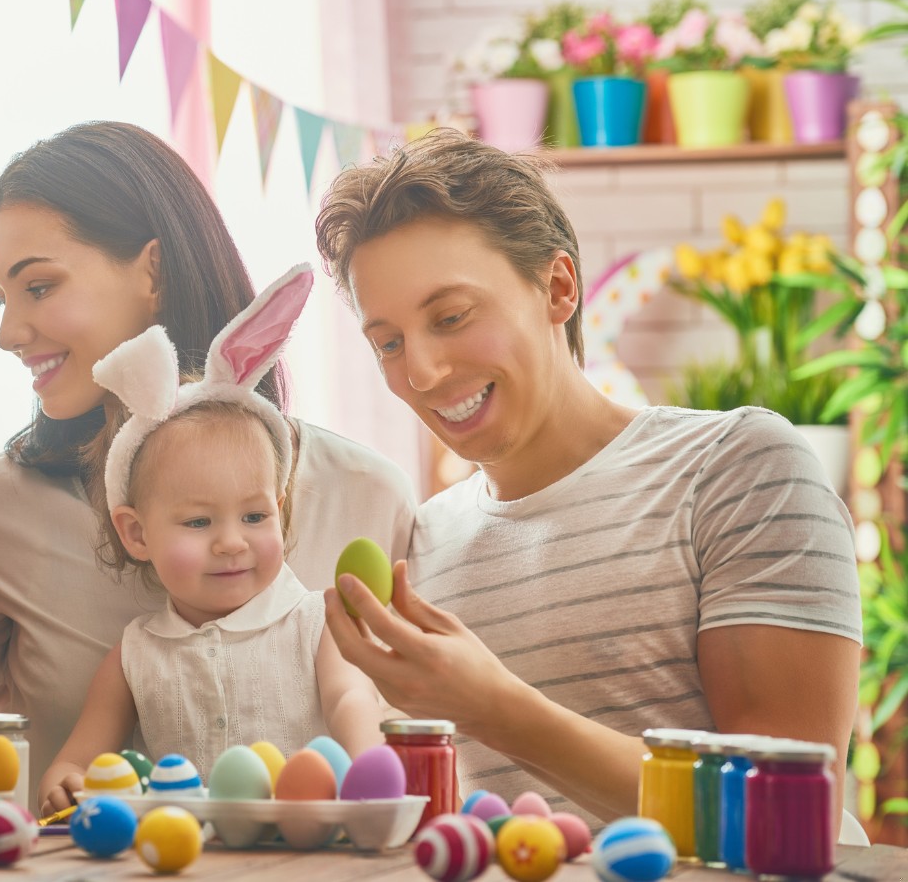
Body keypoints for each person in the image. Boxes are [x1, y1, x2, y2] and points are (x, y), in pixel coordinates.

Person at [313, 129, 862, 823]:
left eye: (451, 317)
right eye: (388, 343)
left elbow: (783, 815)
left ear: (559, 287)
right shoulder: (420, 543)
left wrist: (493, 708)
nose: (420, 372)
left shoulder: (738, 468)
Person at [0, 122, 416, 805]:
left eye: (37, 288)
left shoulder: (367, 494)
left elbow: (421, 743)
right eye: (0, 298)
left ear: (152, 271)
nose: (8, 333)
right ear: (130, 528)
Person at [37, 266, 385, 815]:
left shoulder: (319, 622)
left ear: (281, 511)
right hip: (179, 860)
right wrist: (65, 778)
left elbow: (350, 696)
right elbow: (80, 759)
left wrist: (367, 759)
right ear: (136, 533)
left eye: (254, 516)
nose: (230, 543)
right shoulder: (136, 653)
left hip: (303, 855)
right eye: (198, 523)